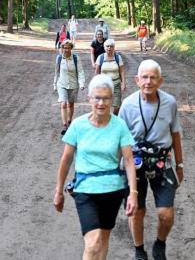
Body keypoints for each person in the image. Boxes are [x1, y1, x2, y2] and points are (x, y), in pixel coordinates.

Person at [54, 74, 139, 260]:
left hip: (113, 190)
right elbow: (66, 158)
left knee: (103, 240)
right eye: (97, 98)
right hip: (85, 190)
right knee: (93, 243)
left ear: (112, 99)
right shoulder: (77, 126)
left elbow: (129, 160)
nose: (101, 103)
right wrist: (59, 191)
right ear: (89, 98)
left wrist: (133, 193)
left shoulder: (120, 126)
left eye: (106, 98)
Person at [119, 59, 184, 260]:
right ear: (137, 80)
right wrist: (114, 168)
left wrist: (180, 165)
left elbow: (175, 135)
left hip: (162, 162)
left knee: (166, 214)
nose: (148, 81)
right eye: (144, 77)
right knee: (136, 211)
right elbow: (119, 139)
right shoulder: (127, 105)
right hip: (133, 164)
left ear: (160, 81)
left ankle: (160, 243)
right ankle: (139, 250)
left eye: (153, 77)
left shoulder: (170, 103)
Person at [53, 39, 86, 135]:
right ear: (62, 48)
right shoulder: (59, 58)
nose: (66, 50)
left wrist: (82, 83)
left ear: (71, 48)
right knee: (63, 103)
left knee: (71, 104)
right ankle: (65, 125)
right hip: (62, 84)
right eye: (64, 48)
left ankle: (69, 121)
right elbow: (56, 72)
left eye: (68, 48)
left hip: (73, 84)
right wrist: (54, 84)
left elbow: (80, 71)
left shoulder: (75, 58)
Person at [95, 39, 126, 115]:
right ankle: (107, 120)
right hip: (104, 85)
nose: (109, 48)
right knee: (105, 104)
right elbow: (97, 72)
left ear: (114, 47)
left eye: (111, 46)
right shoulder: (100, 58)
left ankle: (113, 117)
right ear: (104, 47)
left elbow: (122, 71)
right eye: (107, 46)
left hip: (116, 84)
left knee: (117, 106)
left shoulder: (118, 58)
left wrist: (123, 83)